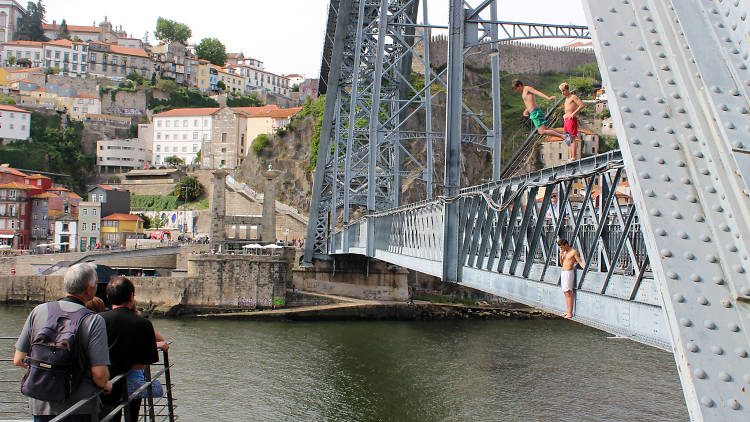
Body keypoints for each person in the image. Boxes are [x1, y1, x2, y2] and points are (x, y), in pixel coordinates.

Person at [13, 263, 112, 422]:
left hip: (41, 403)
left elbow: (18, 359)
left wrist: (50, 371)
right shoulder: (94, 320)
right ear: (89, 289)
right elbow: (100, 374)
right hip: (79, 407)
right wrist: (106, 384)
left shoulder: (39, 311)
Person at [99, 277, 159, 422]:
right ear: (132, 296)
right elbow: (144, 362)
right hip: (130, 382)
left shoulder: (97, 320)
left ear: (108, 297)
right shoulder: (143, 324)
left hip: (103, 382)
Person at [557, 238, 584, 319]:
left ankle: (570, 312)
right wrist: (560, 256)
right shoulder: (565, 252)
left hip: (569, 272)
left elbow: (579, 261)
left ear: (566, 245)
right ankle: (567, 311)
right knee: (565, 292)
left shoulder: (573, 252)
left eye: (562, 247)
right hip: (564, 272)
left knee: (568, 292)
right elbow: (562, 264)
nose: (561, 249)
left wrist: (584, 268)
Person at [560, 82, 585, 161]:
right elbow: (567, 109)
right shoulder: (566, 99)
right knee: (567, 139)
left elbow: (581, 105)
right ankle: (571, 156)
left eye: (564, 90)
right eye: (562, 91)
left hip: (571, 119)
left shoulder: (573, 97)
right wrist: (565, 115)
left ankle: (573, 157)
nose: (562, 92)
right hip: (566, 119)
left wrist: (573, 114)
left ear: (568, 90)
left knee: (572, 138)